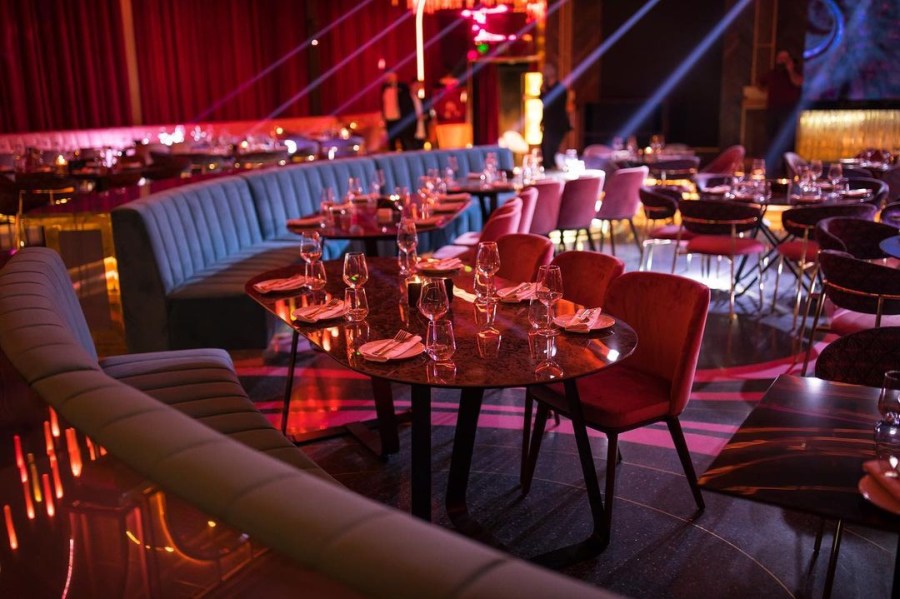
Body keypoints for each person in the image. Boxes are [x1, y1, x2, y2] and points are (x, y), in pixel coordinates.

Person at [760, 51, 804, 172]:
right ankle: (771, 169)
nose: (781, 60)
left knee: (787, 141)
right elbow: (760, 83)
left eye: (784, 58)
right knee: (771, 139)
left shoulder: (795, 72)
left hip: (788, 111)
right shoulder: (772, 73)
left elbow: (799, 82)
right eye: (780, 58)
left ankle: (788, 168)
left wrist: (790, 70)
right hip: (772, 110)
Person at [539, 63, 572, 170]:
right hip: (548, 124)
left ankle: (553, 175)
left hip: (557, 125)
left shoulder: (560, 89)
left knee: (550, 153)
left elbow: (553, 106)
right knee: (545, 152)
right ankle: (547, 174)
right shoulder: (547, 88)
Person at [381, 72, 415, 151]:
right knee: (391, 140)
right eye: (389, 78)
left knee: (403, 139)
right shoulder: (384, 88)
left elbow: (406, 95)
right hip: (389, 119)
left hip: (399, 118)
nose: (390, 79)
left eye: (392, 77)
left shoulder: (401, 87)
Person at [409, 80, 431, 150]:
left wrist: (425, 116)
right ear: (411, 86)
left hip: (421, 129)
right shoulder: (406, 99)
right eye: (416, 86)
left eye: (419, 86)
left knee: (420, 148)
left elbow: (428, 113)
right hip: (411, 130)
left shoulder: (422, 99)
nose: (417, 88)